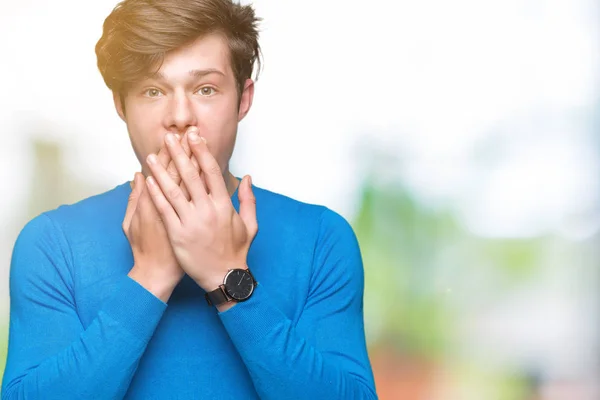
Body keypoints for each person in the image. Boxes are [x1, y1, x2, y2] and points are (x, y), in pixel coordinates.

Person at [1, 0, 377, 398]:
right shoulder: (52, 243)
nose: (180, 116)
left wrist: (229, 279)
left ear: (243, 99)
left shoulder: (321, 239)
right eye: (152, 90)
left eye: (206, 89)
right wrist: (149, 279)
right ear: (120, 104)